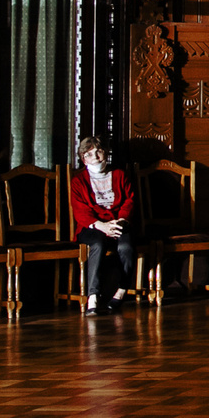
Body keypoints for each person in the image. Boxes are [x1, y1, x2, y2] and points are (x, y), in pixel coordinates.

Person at [70, 136, 137, 317]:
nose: (96, 157)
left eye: (99, 151)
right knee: (97, 245)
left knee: (126, 246)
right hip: (91, 227)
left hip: (117, 223)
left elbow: (129, 201)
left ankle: (122, 289)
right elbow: (80, 211)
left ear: (105, 153)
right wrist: (101, 226)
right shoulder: (78, 181)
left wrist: (120, 221)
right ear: (84, 159)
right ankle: (92, 295)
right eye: (90, 154)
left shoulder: (120, 175)